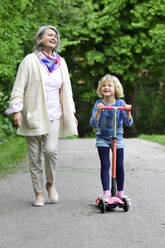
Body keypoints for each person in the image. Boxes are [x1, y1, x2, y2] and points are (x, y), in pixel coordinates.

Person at [5, 25, 78, 206]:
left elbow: (67, 91)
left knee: (51, 150)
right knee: (34, 156)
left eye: (55, 36)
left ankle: (50, 183)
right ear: (40, 39)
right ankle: (38, 192)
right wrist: (16, 110)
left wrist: (72, 112)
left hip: (54, 115)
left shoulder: (61, 62)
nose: (54, 37)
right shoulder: (29, 61)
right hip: (33, 114)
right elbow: (18, 87)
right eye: (49, 35)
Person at [90, 74, 133, 202]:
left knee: (119, 164)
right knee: (105, 164)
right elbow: (93, 123)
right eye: (104, 85)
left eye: (109, 85)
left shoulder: (121, 103)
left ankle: (120, 192)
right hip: (102, 138)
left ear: (116, 89)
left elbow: (128, 123)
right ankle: (107, 193)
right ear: (100, 89)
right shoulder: (98, 104)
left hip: (117, 137)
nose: (106, 87)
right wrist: (98, 111)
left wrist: (127, 112)